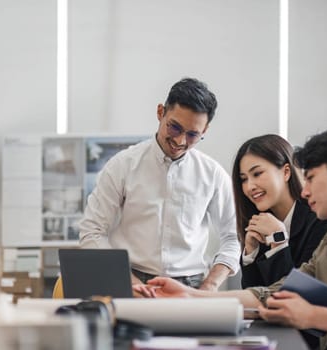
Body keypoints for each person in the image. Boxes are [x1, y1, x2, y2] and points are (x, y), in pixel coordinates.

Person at [136, 128, 327, 349]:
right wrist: (191, 295)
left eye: (311, 178)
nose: (305, 191)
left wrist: (313, 315)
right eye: (244, 178)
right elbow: (278, 291)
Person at [79, 78, 241, 291]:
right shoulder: (122, 165)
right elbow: (92, 232)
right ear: (160, 113)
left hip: (191, 285)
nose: (181, 141)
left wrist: (209, 286)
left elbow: (233, 237)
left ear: (205, 130)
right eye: (174, 128)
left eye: (193, 134)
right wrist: (128, 280)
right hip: (130, 278)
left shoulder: (213, 174)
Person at [232, 134, 327, 289]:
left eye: (257, 174)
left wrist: (278, 242)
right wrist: (250, 254)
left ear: (286, 172)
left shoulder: (322, 223)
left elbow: (298, 295)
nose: (249, 186)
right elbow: (254, 298)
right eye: (244, 179)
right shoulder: (258, 224)